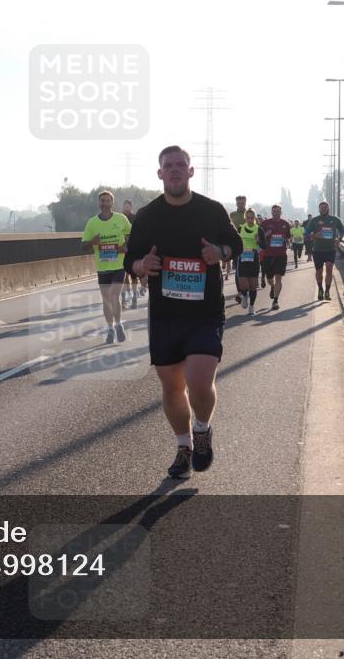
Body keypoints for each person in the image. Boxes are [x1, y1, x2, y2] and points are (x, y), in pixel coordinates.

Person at [125, 146, 242, 480]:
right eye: (168, 166)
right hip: (164, 314)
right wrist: (140, 265)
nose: (175, 170)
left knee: (198, 379)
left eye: (181, 165)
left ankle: (202, 429)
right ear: (160, 173)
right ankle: (184, 446)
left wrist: (219, 252)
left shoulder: (212, 211)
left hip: (204, 311)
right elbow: (129, 258)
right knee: (172, 386)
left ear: (191, 172)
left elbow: (237, 245)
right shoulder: (148, 216)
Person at [82, 191, 131, 343]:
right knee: (106, 301)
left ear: (112, 203)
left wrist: (125, 246)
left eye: (107, 200)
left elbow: (132, 234)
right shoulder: (92, 223)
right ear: (99, 203)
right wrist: (92, 242)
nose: (105, 203)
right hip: (102, 268)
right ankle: (110, 329)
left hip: (118, 265)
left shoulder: (121, 219)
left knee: (114, 296)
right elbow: (83, 245)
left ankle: (118, 325)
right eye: (102, 200)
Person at [304, 201, 344, 301]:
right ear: (319, 209)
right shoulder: (314, 220)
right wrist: (314, 236)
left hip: (330, 249)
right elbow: (306, 233)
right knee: (319, 271)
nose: (323, 209)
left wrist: (339, 239)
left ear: (328, 208)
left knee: (329, 268)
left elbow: (342, 230)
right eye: (321, 208)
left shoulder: (335, 219)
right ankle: (320, 289)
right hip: (317, 249)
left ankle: (327, 291)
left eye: (325, 207)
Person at [258, 204, 291, 310]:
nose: (276, 213)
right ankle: (272, 287)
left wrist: (288, 242)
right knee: (269, 278)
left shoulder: (285, 224)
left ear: (281, 212)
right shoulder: (265, 223)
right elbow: (258, 239)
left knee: (279, 278)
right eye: (274, 211)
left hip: (281, 255)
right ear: (271, 212)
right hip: (268, 255)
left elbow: (288, 238)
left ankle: (275, 300)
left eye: (278, 211)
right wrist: (266, 235)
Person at [235, 208, 262, 313]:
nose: (250, 220)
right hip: (242, 259)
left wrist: (258, 240)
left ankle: (251, 307)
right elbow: (235, 242)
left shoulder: (259, 229)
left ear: (254, 218)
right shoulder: (240, 228)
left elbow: (264, 245)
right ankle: (245, 296)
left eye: (252, 218)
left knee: (253, 286)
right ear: (245, 218)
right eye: (248, 218)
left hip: (254, 259)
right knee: (243, 284)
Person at [120, 199, 142, 309]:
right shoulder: (119, 218)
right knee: (124, 277)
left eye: (128, 206)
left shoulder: (135, 218)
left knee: (134, 277)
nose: (126, 208)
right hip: (122, 251)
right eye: (124, 206)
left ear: (131, 207)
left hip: (133, 250)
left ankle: (134, 298)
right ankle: (123, 300)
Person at [228, 196, 247, 297]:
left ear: (245, 203)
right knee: (238, 270)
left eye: (242, 203)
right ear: (236, 203)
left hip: (249, 246)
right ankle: (240, 292)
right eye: (239, 203)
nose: (241, 205)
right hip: (236, 245)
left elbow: (257, 228)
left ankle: (246, 290)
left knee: (247, 270)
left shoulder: (250, 213)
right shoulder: (232, 215)